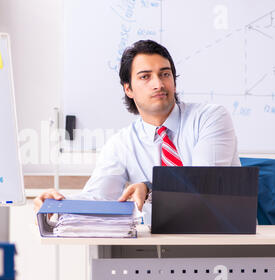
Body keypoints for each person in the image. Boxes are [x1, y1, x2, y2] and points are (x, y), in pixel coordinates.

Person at [34, 39, 240, 223]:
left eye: (165, 74)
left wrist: (149, 188)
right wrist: (56, 204)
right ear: (128, 89)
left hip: (222, 235)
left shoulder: (210, 117)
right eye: (145, 77)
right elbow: (98, 197)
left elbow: (206, 184)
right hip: (162, 244)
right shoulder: (122, 143)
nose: (158, 84)